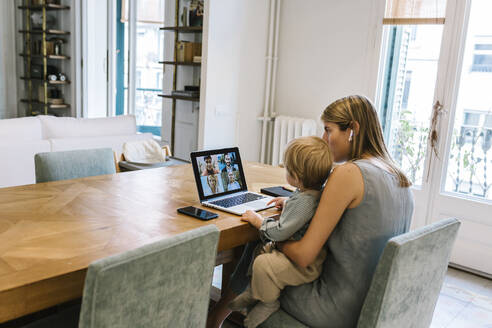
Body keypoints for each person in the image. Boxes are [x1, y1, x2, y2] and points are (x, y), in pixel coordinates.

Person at [206, 95, 414, 328]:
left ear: (352, 130)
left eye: (328, 130)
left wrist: (268, 237)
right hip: (373, 305)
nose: (324, 139)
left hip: (334, 307)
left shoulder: (348, 173)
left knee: (260, 246)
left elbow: (304, 255)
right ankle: (222, 311)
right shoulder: (399, 177)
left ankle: (217, 315)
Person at [229, 136, 332, 328]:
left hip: (303, 266)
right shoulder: (310, 193)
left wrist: (258, 221)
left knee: (263, 263)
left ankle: (268, 302)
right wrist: (287, 202)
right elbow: (301, 207)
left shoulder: (304, 202)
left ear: (297, 177)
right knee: (259, 250)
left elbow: (279, 232)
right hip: (302, 256)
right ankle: (253, 291)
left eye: (287, 169)